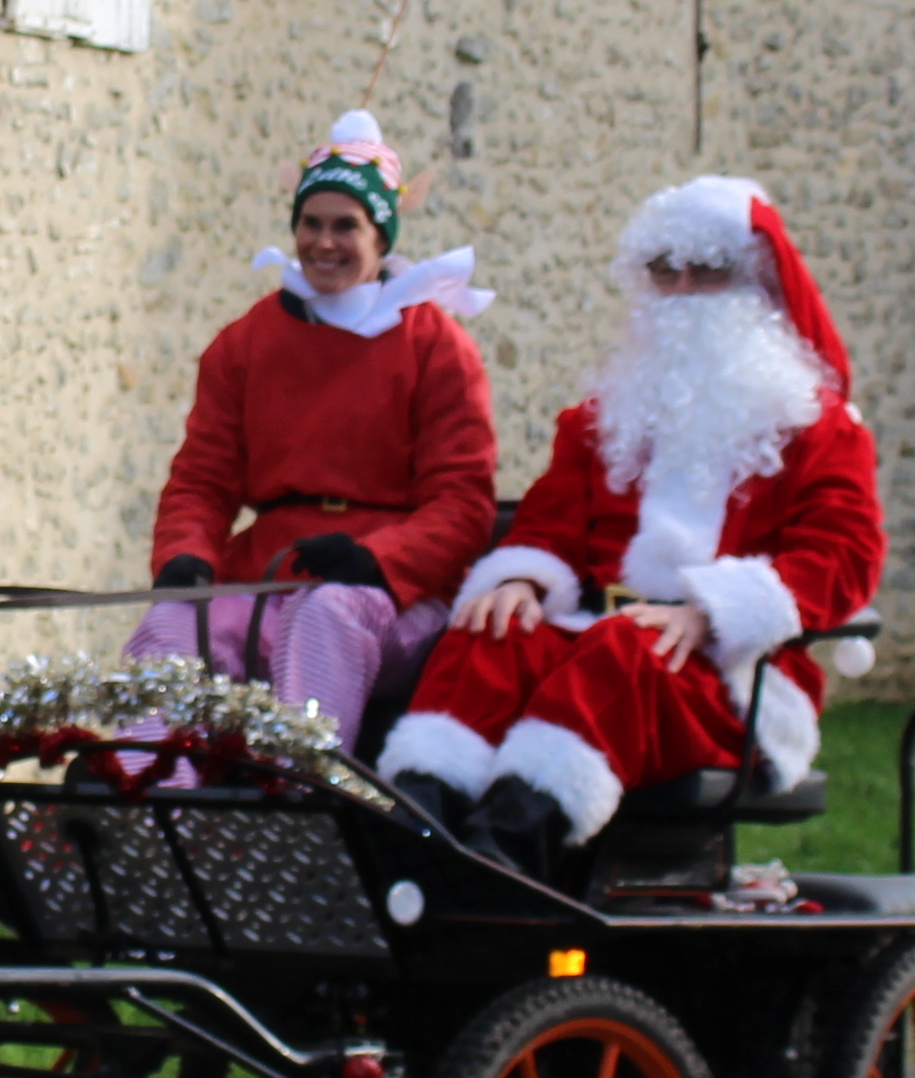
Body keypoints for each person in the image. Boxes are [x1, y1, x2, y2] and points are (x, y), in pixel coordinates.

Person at [375, 176, 882, 864]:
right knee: (493, 633)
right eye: (662, 273)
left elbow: (842, 558)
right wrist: (521, 581)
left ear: (754, 289)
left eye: (704, 274)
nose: (679, 293)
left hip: (730, 673)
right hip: (602, 635)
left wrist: (708, 612)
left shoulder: (816, 427)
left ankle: (508, 851)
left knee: (623, 654)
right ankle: (414, 829)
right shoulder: (605, 418)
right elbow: (549, 525)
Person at [130, 110, 498, 734]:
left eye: (346, 226)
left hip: (391, 595)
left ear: (380, 238)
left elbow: (461, 503)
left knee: (325, 616)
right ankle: (153, 794)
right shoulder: (245, 343)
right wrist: (184, 557)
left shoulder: (436, 345)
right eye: (311, 223)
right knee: (171, 625)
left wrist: (377, 559)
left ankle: (298, 800)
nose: (324, 243)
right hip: (269, 574)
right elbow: (203, 480)